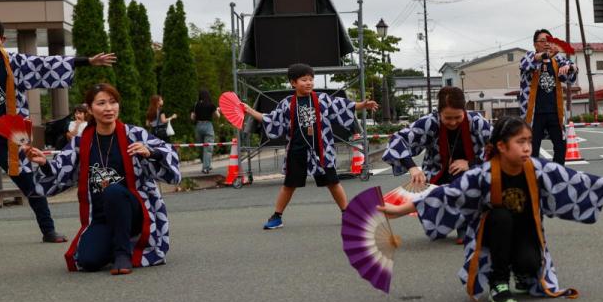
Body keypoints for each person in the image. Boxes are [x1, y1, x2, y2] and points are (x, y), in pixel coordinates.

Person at [379, 116, 603, 302]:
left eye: (529, 141)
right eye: (521, 142)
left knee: (530, 263)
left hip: (527, 232)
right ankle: (498, 282)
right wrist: (399, 209)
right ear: (502, 146)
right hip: (493, 236)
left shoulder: (538, 168)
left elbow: (574, 180)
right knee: (500, 216)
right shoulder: (483, 174)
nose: (528, 147)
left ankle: (522, 273)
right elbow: (446, 195)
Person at [26, 83, 180, 273]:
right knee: (88, 261)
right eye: (101, 103)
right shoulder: (80, 142)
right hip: (101, 215)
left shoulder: (134, 134)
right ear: (90, 109)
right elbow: (60, 173)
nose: (108, 108)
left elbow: (170, 157)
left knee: (113, 190)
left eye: (113, 102)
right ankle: (114, 241)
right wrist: (44, 164)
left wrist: (151, 152)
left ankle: (123, 252)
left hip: (135, 211)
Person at [0, 19, 116, 243]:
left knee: (29, 183)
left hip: (10, 135)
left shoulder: (14, 63)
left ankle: (48, 229)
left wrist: (87, 61)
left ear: (2, 40)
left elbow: (47, 64)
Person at [240, 63, 378, 229]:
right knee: (289, 185)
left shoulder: (321, 99)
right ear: (293, 83)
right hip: (296, 149)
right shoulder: (287, 103)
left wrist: (362, 105)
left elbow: (342, 105)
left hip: (322, 149)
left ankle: (347, 214)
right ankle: (277, 216)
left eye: (311, 79)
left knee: (333, 182)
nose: (308, 83)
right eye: (304, 79)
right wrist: (249, 110)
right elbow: (271, 119)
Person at [383, 85, 492, 242]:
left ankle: (465, 227)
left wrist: (471, 163)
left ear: (465, 111)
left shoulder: (476, 122)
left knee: (464, 179)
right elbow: (397, 140)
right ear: (439, 112)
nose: (453, 122)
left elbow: (498, 144)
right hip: (436, 171)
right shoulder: (429, 122)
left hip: (473, 171)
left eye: (458, 117)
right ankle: (446, 222)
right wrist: (413, 168)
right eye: (447, 118)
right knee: (440, 193)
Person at [519, 29, 576, 164]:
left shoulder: (557, 60)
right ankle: (533, 178)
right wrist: (545, 56)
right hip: (534, 114)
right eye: (543, 41)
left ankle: (556, 175)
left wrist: (572, 67)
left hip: (554, 112)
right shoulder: (529, 57)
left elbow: (568, 74)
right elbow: (525, 63)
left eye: (549, 41)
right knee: (532, 149)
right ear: (535, 44)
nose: (546, 44)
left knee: (561, 146)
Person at [190, 89, 220, 174]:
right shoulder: (211, 105)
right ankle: (206, 168)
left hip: (198, 126)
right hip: (208, 126)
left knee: (200, 147)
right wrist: (217, 110)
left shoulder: (195, 105)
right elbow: (217, 116)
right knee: (208, 148)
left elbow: (192, 117)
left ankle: (206, 164)